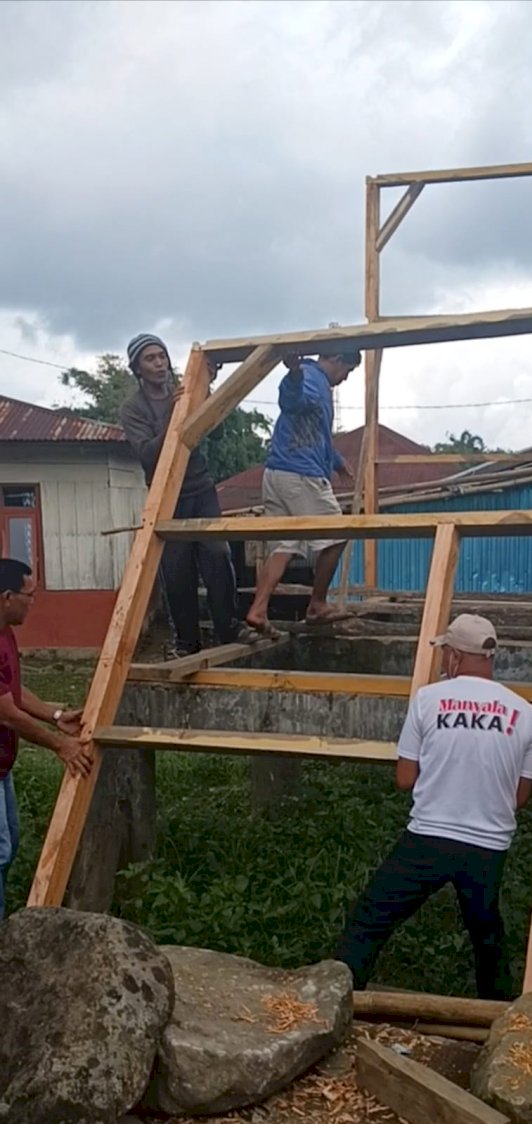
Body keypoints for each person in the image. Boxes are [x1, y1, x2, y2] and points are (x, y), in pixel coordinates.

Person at [334, 614, 532, 1000]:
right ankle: (496, 1015)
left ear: (455, 656)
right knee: (487, 937)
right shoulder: (526, 713)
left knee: (371, 919)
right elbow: (520, 796)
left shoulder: (428, 700)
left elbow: (405, 778)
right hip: (488, 844)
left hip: (429, 835)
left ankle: (337, 999)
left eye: (445, 652)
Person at [120, 333, 256, 657]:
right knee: (177, 570)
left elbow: (217, 431)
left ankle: (229, 627)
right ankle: (186, 642)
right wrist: (174, 415)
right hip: (167, 496)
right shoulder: (133, 409)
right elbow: (148, 454)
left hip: (200, 487)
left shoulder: (185, 389)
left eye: (162, 356)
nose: (159, 364)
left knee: (218, 555)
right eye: (150, 359)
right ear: (137, 368)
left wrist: (206, 391)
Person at [0, 559, 92, 918]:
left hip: (3, 767)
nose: (33, 603)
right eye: (30, 595)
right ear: (7, 597)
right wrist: (60, 745)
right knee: (0, 852)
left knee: (10, 844)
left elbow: (14, 692)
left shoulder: (6, 633)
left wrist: (55, 716)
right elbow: (6, 713)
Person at [245, 351, 361, 634]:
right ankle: (317, 604)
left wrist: (336, 461)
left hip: (276, 473)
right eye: (347, 371)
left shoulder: (315, 381)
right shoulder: (312, 377)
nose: (345, 378)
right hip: (300, 473)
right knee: (338, 533)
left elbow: (315, 433)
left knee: (285, 545)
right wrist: (294, 374)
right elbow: (292, 402)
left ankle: (258, 609)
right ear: (337, 359)